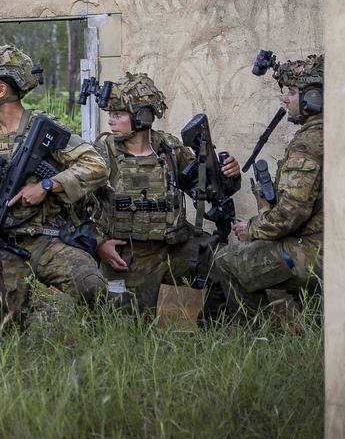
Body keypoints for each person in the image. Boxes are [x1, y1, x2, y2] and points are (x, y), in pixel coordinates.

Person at [0, 45, 108, 319]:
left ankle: (95, 348)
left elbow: (96, 166)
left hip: (46, 241)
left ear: (0, 90)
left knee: (93, 286)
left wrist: (47, 186)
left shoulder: (43, 129)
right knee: (2, 323)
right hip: (0, 245)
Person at [91, 73, 240, 312]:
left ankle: (211, 337)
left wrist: (229, 173)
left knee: (229, 263)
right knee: (123, 328)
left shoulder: (169, 149)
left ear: (143, 116)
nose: (110, 122)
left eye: (118, 115)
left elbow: (206, 189)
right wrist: (98, 243)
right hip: (128, 256)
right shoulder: (101, 153)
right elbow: (77, 206)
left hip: (175, 247)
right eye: (109, 115)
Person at [215, 55, 324, 315]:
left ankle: (266, 335)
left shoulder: (309, 144)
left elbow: (290, 214)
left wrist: (251, 229)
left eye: (293, 92)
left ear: (314, 99)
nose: (285, 99)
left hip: (316, 253)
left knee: (226, 260)